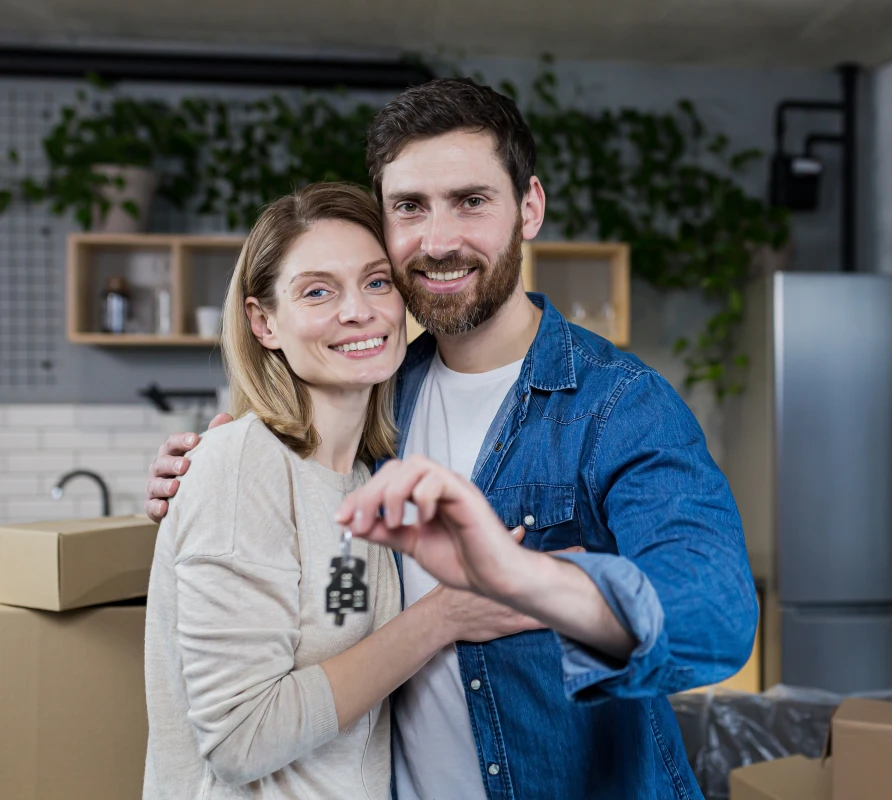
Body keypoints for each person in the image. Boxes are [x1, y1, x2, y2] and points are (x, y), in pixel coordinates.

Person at [147, 78, 758, 799]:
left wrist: (530, 581)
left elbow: (715, 614)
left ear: (528, 208)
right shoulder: (378, 400)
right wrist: (210, 472)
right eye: (410, 207)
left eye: (471, 201)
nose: (438, 241)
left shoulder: (618, 405)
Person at [142, 182, 543, 799]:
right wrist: (447, 614)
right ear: (263, 321)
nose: (358, 311)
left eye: (377, 282)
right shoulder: (241, 466)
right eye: (318, 291)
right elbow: (237, 740)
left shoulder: (365, 478)